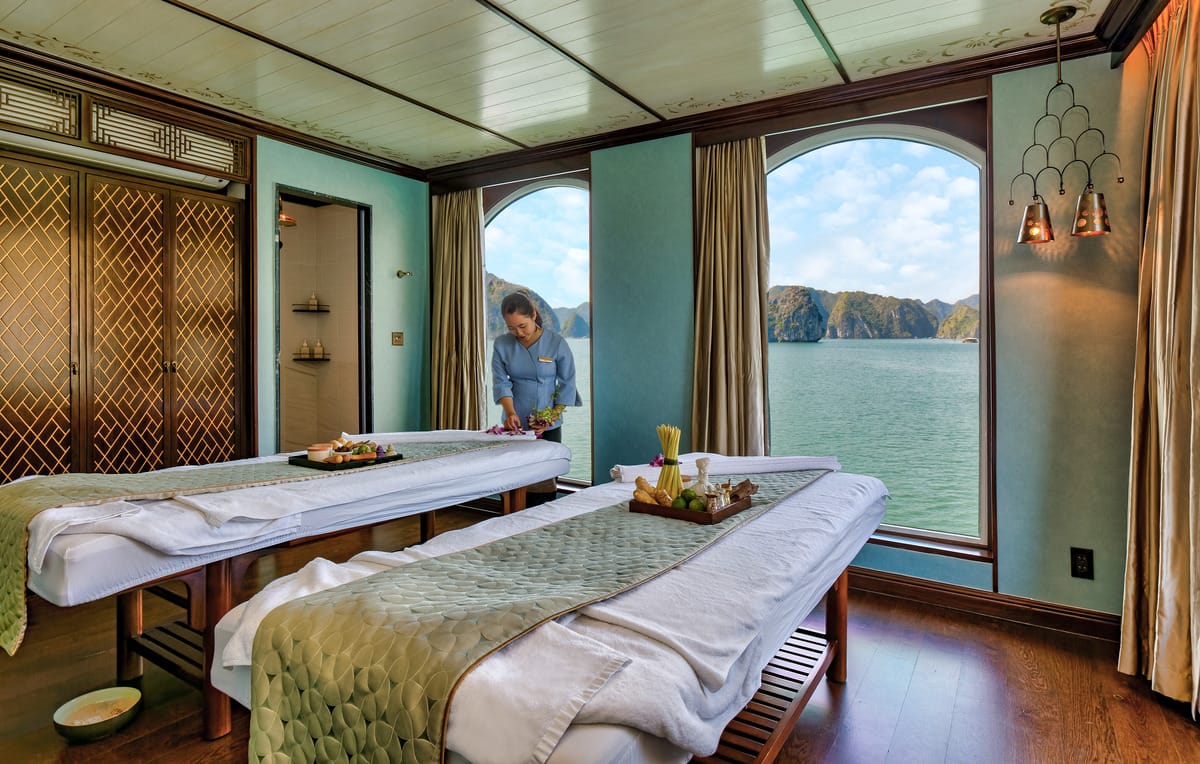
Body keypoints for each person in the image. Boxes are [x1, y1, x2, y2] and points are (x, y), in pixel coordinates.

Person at [491, 291, 582, 503]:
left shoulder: (556, 343)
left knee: (544, 488)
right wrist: (510, 413)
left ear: (533, 315)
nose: (518, 333)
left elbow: (567, 384)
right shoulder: (502, 344)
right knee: (513, 484)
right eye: (511, 328)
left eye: (522, 326)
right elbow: (501, 382)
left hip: (548, 425)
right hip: (515, 425)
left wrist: (550, 417)